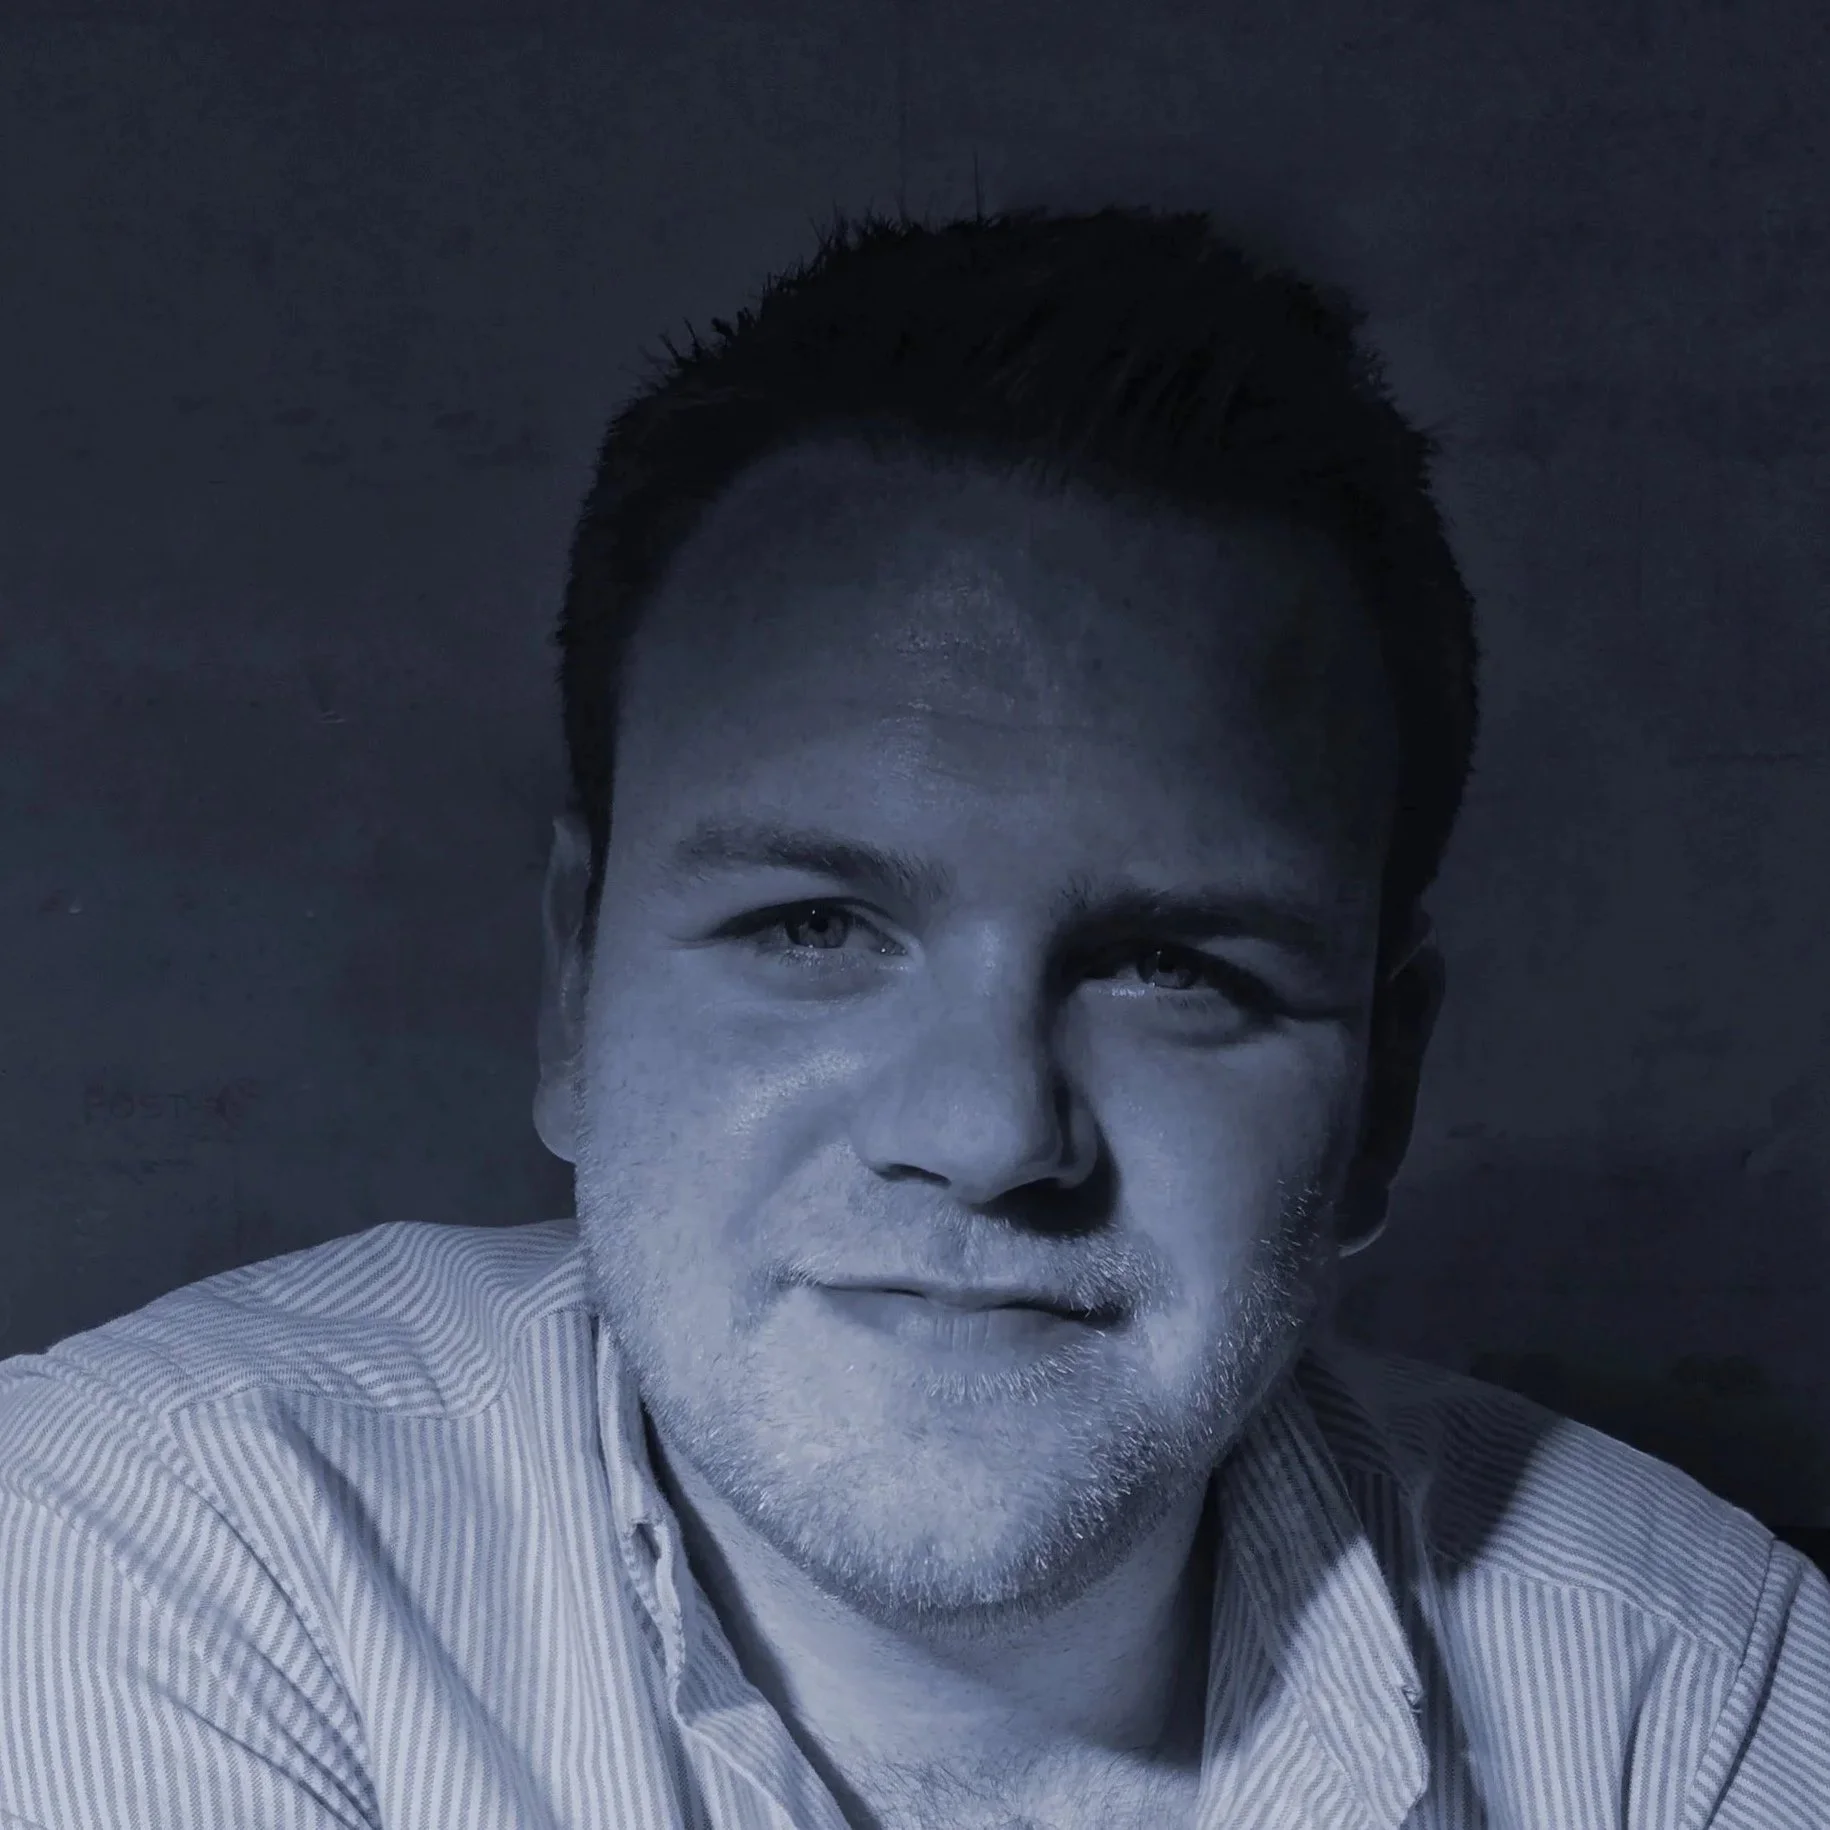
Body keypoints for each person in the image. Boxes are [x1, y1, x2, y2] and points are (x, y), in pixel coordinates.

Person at [2, 205, 1824, 1830]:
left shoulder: (1694, 1692)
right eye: (813, 922)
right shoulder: (152, 1551)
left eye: (1174, 968)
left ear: (1386, 1091)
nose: (982, 1127)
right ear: (574, 986)